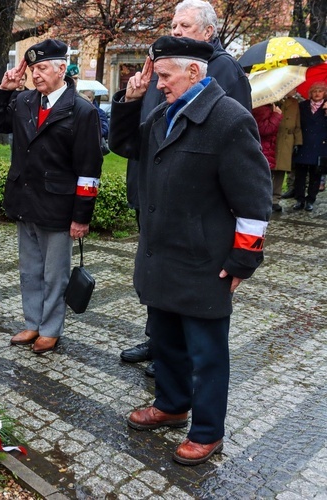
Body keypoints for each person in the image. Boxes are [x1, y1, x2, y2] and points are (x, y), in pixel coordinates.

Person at [110, 36, 271, 465]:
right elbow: (125, 147)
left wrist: (244, 259)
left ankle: (207, 432)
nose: (159, 83)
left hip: (204, 261)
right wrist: (130, 99)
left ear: (194, 72)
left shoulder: (229, 119)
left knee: (207, 354)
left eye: (164, 75)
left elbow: (256, 201)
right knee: (166, 342)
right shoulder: (165, 111)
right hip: (161, 254)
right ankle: (172, 404)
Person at [120, 0, 252, 375]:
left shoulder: (223, 70)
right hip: (157, 194)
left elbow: (238, 153)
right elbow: (143, 132)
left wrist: (240, 247)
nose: (175, 30)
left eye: (184, 25)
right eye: (173, 24)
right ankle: (160, 346)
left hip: (194, 211)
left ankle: (179, 363)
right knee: (159, 278)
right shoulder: (166, 65)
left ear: (208, 34)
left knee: (193, 306)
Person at [0, 39, 102, 354]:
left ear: (62, 68)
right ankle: (33, 323)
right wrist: (5, 89)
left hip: (59, 207)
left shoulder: (81, 110)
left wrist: (81, 216)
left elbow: (90, 170)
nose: (36, 75)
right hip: (25, 201)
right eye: (33, 69)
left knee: (54, 273)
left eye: (43, 68)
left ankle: (50, 328)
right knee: (29, 270)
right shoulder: (23, 102)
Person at [291, 82, 327, 211]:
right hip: (303, 143)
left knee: (315, 174)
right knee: (300, 174)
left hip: (320, 145)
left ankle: (311, 199)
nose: (317, 94)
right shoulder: (302, 106)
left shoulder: (326, 107)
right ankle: (299, 199)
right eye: (314, 91)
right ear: (310, 93)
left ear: (324, 93)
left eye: (320, 91)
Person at [273, 92, 301, 209]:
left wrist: (298, 142)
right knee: (269, 169)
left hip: (287, 140)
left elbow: (297, 124)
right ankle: (264, 196)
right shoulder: (274, 100)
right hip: (274, 137)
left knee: (281, 170)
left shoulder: (295, 103)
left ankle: (275, 199)